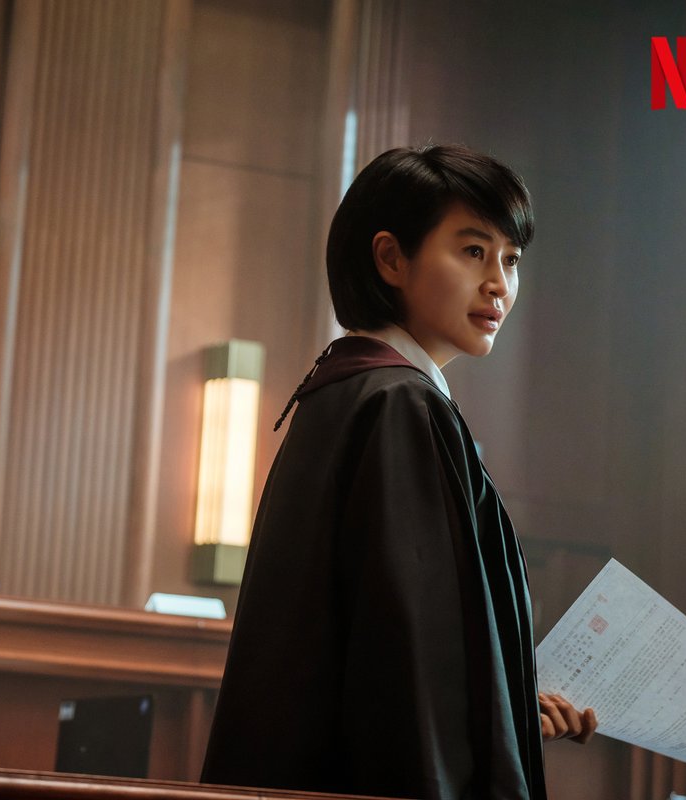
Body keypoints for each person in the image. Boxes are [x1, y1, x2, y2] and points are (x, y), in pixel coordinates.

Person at [199, 145, 596, 800]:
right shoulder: (399, 404)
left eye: (511, 260)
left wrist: (509, 709)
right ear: (391, 259)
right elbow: (408, 670)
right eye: (473, 251)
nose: (499, 284)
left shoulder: (349, 390)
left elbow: (393, 644)